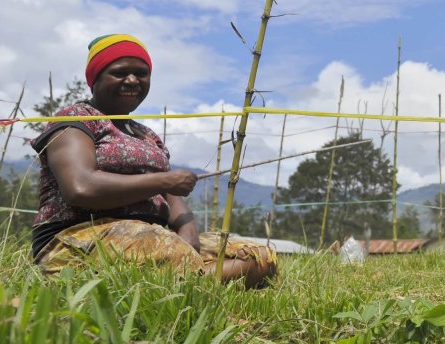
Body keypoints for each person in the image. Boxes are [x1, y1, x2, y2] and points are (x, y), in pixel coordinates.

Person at [31, 34, 277, 288]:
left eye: (141, 73)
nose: (132, 80)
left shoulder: (147, 135)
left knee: (259, 258)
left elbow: (172, 198)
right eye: (119, 73)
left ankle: (182, 282)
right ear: (95, 79)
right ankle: (187, 284)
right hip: (80, 236)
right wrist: (163, 180)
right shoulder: (77, 117)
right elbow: (80, 187)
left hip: (156, 237)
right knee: (162, 247)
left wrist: (188, 232)